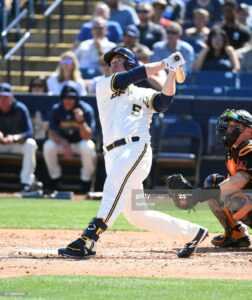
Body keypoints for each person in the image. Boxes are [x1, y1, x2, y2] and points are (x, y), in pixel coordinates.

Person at [58, 47, 208, 260]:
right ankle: (193, 232)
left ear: (129, 62)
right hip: (112, 153)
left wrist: (173, 72)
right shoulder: (104, 85)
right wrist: (165, 63)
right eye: (111, 62)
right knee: (137, 214)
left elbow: (164, 102)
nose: (113, 64)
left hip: (135, 149)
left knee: (112, 189)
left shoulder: (142, 93)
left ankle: (87, 239)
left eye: (119, 60)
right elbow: (134, 75)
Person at [167, 109, 252, 248]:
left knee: (232, 196)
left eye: (233, 126)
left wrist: (198, 195)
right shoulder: (233, 153)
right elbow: (227, 185)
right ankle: (236, 235)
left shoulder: (249, 148)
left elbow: (239, 182)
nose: (228, 130)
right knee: (213, 182)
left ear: (248, 130)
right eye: (228, 126)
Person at [43, 82, 97, 194]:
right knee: (48, 146)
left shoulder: (85, 109)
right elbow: (51, 132)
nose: (68, 101)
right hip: (62, 144)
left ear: (76, 99)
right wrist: (64, 144)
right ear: (61, 99)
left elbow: (88, 136)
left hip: (80, 142)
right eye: (65, 98)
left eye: (72, 98)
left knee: (88, 146)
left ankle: (85, 182)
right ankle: (55, 180)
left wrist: (81, 121)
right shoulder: (57, 109)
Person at [0, 82, 41, 192]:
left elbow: (29, 132)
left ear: (11, 97)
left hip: (17, 144)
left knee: (31, 144)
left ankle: (25, 183)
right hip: (1, 144)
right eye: (1, 97)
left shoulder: (20, 108)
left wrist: (15, 137)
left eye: (6, 97)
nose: (3, 100)